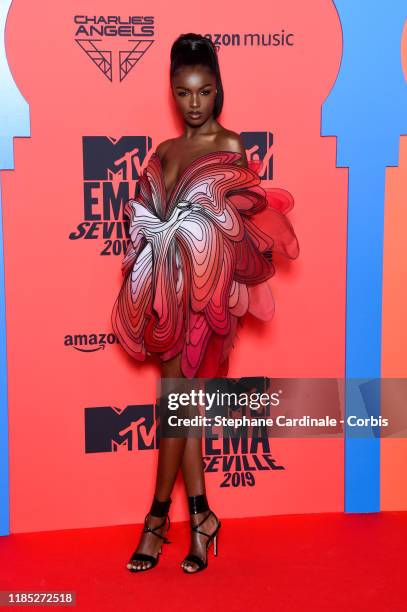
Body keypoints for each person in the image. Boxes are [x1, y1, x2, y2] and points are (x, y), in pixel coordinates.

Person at [111, 32, 299, 574]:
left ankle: (154, 521)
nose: (194, 104)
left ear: (218, 90)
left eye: (205, 91)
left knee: (173, 407)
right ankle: (202, 520)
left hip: (205, 294)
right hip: (162, 293)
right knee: (181, 409)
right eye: (184, 92)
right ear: (172, 91)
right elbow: (148, 222)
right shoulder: (164, 152)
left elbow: (241, 227)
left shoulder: (231, 145)